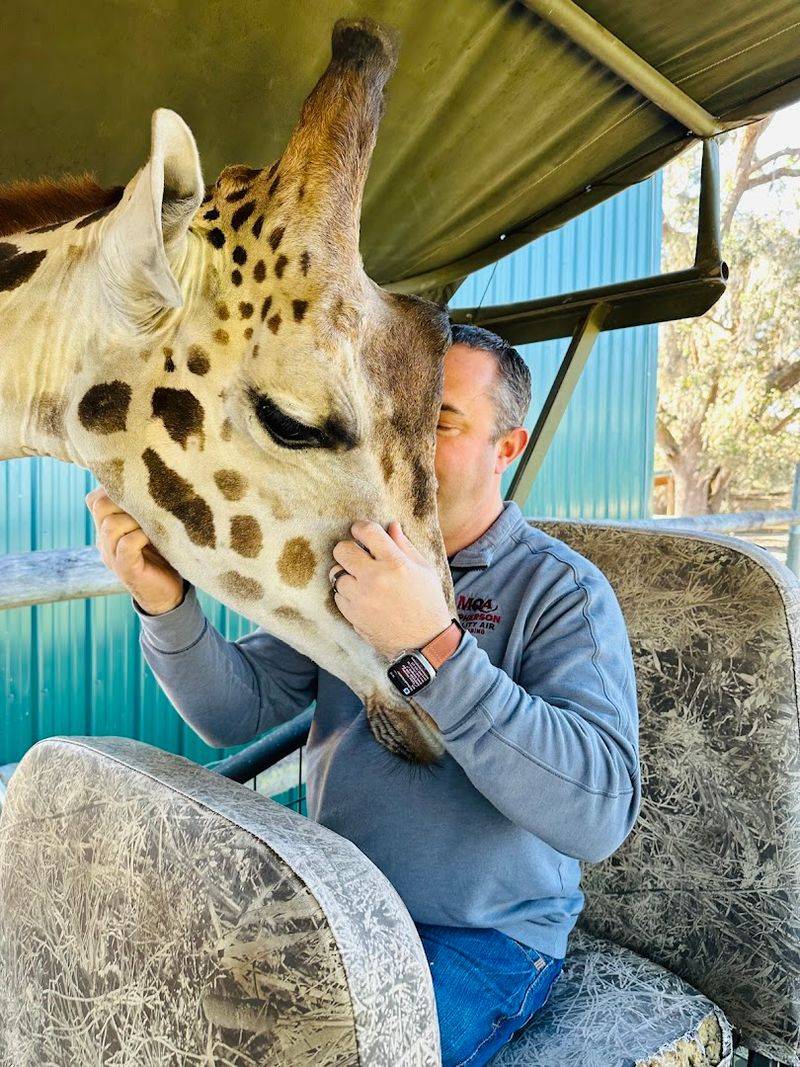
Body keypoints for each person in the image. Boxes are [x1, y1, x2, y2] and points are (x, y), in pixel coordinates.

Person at [87, 323, 641, 1067]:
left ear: (505, 449)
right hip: (332, 908)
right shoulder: (349, 561)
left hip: (483, 937)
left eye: (440, 421)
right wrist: (165, 605)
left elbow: (598, 814)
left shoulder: (561, 592)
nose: (403, 440)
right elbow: (232, 713)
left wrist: (432, 643)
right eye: (394, 413)